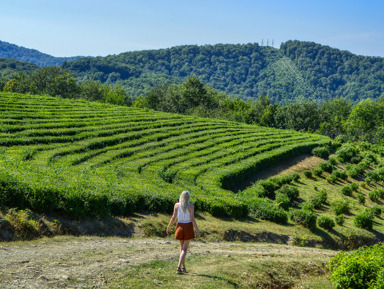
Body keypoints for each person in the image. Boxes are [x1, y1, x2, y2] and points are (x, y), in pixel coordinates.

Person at [166, 190, 200, 274]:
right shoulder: (191, 206)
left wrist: (168, 227)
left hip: (179, 226)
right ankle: (178, 267)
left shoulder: (176, 205)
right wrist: (197, 231)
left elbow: (173, 217)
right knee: (184, 249)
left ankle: (184, 267)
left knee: (181, 248)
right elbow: (192, 219)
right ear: (188, 198)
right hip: (188, 226)